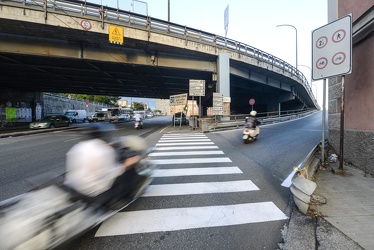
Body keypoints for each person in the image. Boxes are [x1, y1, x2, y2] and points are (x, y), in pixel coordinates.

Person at [63, 123, 147, 208]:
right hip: (93, 192)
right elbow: (114, 172)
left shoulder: (77, 147)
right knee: (127, 173)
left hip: (74, 187)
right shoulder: (104, 151)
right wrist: (128, 163)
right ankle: (122, 200)